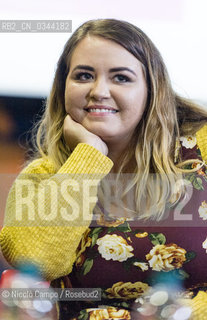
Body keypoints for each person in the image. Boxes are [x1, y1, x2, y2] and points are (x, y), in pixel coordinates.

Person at [0, 18, 207, 319]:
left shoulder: (201, 146)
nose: (99, 91)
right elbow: (36, 262)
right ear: (63, 88)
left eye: (121, 78)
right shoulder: (45, 174)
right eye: (83, 76)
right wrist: (89, 155)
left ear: (152, 90)